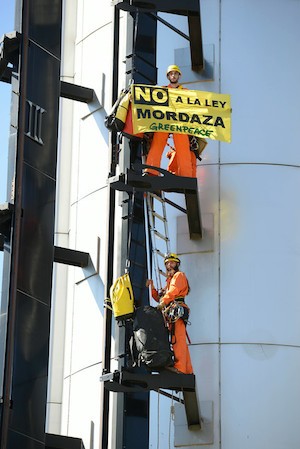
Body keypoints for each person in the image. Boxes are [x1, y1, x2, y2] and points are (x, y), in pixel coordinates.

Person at [144, 65, 196, 178]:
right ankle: (151, 171)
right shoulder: (162, 90)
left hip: (179, 123)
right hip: (164, 122)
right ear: (168, 76)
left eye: (175, 73)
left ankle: (186, 176)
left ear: (179, 76)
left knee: (183, 149)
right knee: (157, 145)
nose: (173, 75)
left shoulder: (186, 92)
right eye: (171, 74)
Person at [146, 253, 193, 374]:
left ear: (177, 264)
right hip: (172, 312)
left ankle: (180, 368)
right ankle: (187, 369)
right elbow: (160, 297)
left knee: (178, 340)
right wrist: (152, 287)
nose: (169, 265)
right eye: (167, 263)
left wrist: (163, 303)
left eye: (172, 262)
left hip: (177, 309)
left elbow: (172, 292)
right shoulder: (169, 282)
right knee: (178, 340)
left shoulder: (178, 276)